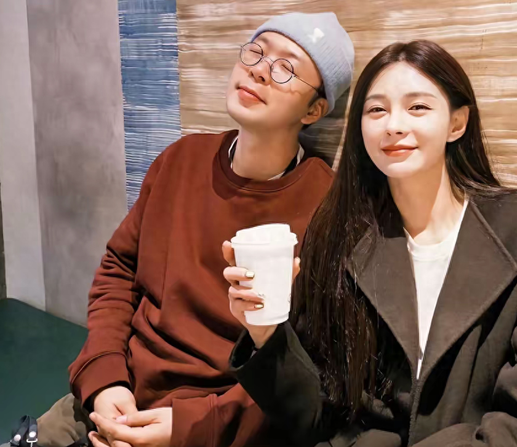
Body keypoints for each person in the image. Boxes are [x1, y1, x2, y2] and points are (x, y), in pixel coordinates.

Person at [2, 12, 354, 447]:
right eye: (256, 52)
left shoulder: (327, 207)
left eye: (285, 68)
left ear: (314, 110)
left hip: (211, 427)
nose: (260, 70)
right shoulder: (181, 159)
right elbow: (118, 272)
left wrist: (188, 427)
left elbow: (303, 371)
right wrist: (105, 379)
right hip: (117, 394)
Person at [223, 40, 517, 447]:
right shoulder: (338, 233)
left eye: (418, 107)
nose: (393, 125)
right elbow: (316, 419)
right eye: (376, 110)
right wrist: (265, 333)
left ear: (457, 123)